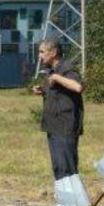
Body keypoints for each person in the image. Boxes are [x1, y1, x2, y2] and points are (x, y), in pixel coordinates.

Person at [32, 38, 85, 180]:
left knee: (67, 168)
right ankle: (64, 194)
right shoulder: (51, 71)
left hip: (65, 126)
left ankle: (74, 194)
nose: (39, 56)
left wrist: (57, 78)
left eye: (42, 52)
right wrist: (42, 91)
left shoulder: (66, 68)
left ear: (53, 53)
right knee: (59, 168)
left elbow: (78, 86)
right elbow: (58, 92)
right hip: (54, 126)